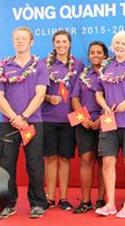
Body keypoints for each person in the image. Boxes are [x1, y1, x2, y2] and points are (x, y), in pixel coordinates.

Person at [0, 27, 49, 219]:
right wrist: (14, 118)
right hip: (9, 123)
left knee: (35, 164)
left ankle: (38, 203)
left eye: (23, 38)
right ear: (13, 41)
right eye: (16, 38)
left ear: (31, 41)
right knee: (6, 164)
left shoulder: (40, 66)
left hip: (32, 122)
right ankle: (7, 204)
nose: (20, 41)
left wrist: (24, 116)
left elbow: (40, 94)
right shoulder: (3, 66)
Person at [95, 31, 125, 218]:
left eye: (123, 43)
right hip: (108, 120)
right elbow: (98, 92)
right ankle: (110, 203)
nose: (120, 46)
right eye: (117, 43)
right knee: (107, 161)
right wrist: (104, 105)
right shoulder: (105, 66)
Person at [42, 30, 84, 211]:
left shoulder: (79, 65)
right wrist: (47, 97)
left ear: (69, 43)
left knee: (65, 159)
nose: (61, 45)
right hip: (47, 118)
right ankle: (50, 197)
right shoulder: (44, 64)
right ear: (53, 44)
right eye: (57, 42)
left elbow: (80, 92)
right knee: (50, 158)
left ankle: (64, 198)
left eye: (64, 41)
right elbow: (36, 91)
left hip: (69, 119)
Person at [70, 41, 108, 213]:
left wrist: (102, 118)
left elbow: (115, 97)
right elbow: (74, 99)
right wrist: (83, 117)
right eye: (92, 52)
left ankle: (101, 200)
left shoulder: (111, 74)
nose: (95, 55)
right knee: (86, 159)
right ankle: (85, 202)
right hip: (84, 121)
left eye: (99, 52)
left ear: (105, 55)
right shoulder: (82, 75)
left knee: (104, 161)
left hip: (106, 121)